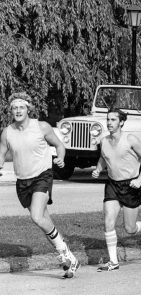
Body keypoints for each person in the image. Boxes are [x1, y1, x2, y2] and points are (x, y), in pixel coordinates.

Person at [0, 92, 80, 278]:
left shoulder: (41, 127)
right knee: (45, 221)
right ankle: (69, 258)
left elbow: (60, 146)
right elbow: (2, 152)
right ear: (10, 110)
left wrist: (60, 159)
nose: (18, 110)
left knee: (37, 216)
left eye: (21, 107)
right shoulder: (7, 132)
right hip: (23, 181)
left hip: (42, 176)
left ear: (28, 109)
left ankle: (65, 252)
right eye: (14, 107)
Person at [92, 108, 141, 272]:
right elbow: (104, 157)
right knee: (108, 221)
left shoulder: (130, 139)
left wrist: (140, 179)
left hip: (131, 186)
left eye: (113, 120)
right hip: (112, 185)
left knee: (129, 229)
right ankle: (113, 261)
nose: (109, 123)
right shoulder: (104, 141)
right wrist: (98, 169)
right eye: (108, 119)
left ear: (121, 122)